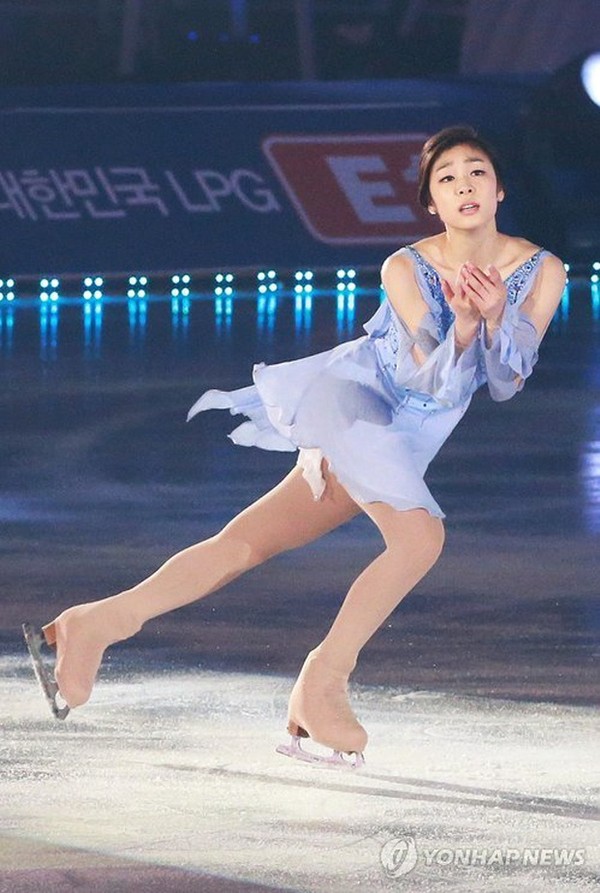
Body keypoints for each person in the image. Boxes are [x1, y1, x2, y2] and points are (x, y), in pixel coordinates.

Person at [24, 125, 566, 767]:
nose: (464, 186)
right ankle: (324, 681)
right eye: (446, 179)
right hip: (360, 401)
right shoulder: (406, 266)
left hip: (414, 435)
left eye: (476, 172)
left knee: (247, 544)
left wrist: (496, 318)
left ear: (498, 189)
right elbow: (425, 375)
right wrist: (466, 327)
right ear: (432, 203)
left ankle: (96, 623)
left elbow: (504, 384)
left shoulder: (543, 270)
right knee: (420, 537)